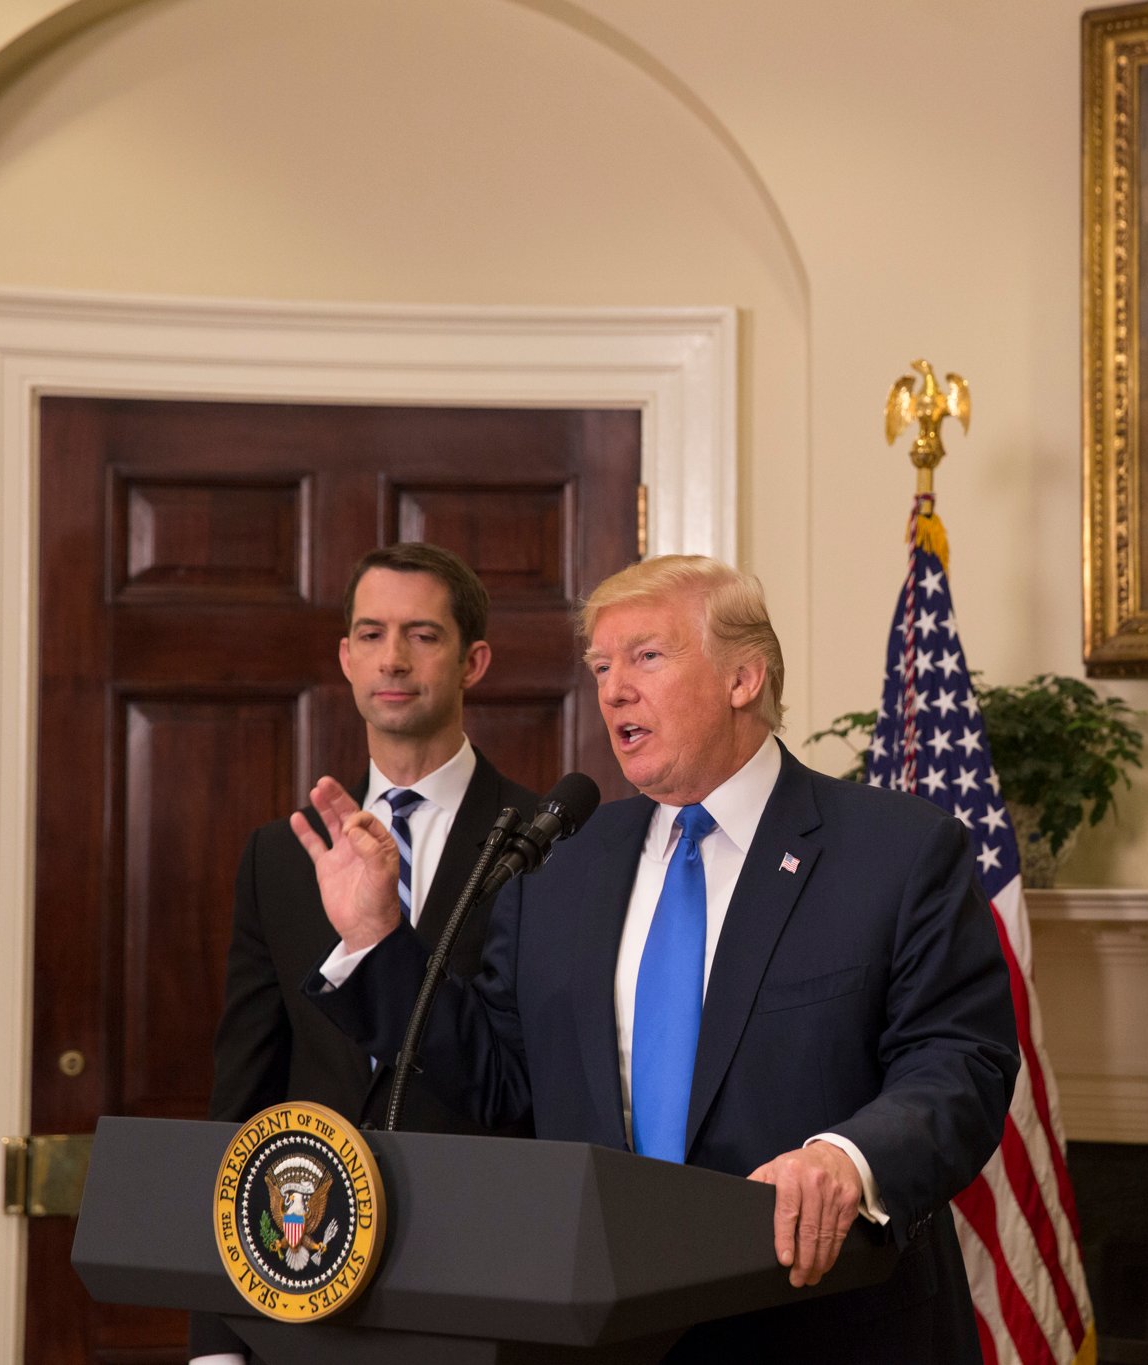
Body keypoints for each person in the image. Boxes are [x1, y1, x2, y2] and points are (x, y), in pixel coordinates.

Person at [300, 554, 1018, 1362]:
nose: (612, 690)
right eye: (602, 666)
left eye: (646, 656)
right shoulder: (563, 863)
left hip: (823, 1322)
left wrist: (847, 1157)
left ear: (744, 676)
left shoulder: (895, 851)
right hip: (607, 1332)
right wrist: (375, 938)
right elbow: (497, 1077)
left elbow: (961, 1059)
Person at [190, 542, 536, 1364]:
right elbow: (242, 1100)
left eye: (422, 634)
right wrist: (215, 1339)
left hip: (484, 1289)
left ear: (473, 660)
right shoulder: (282, 857)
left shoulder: (546, 845)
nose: (393, 657)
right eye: (371, 633)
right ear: (345, 656)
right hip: (300, 1286)